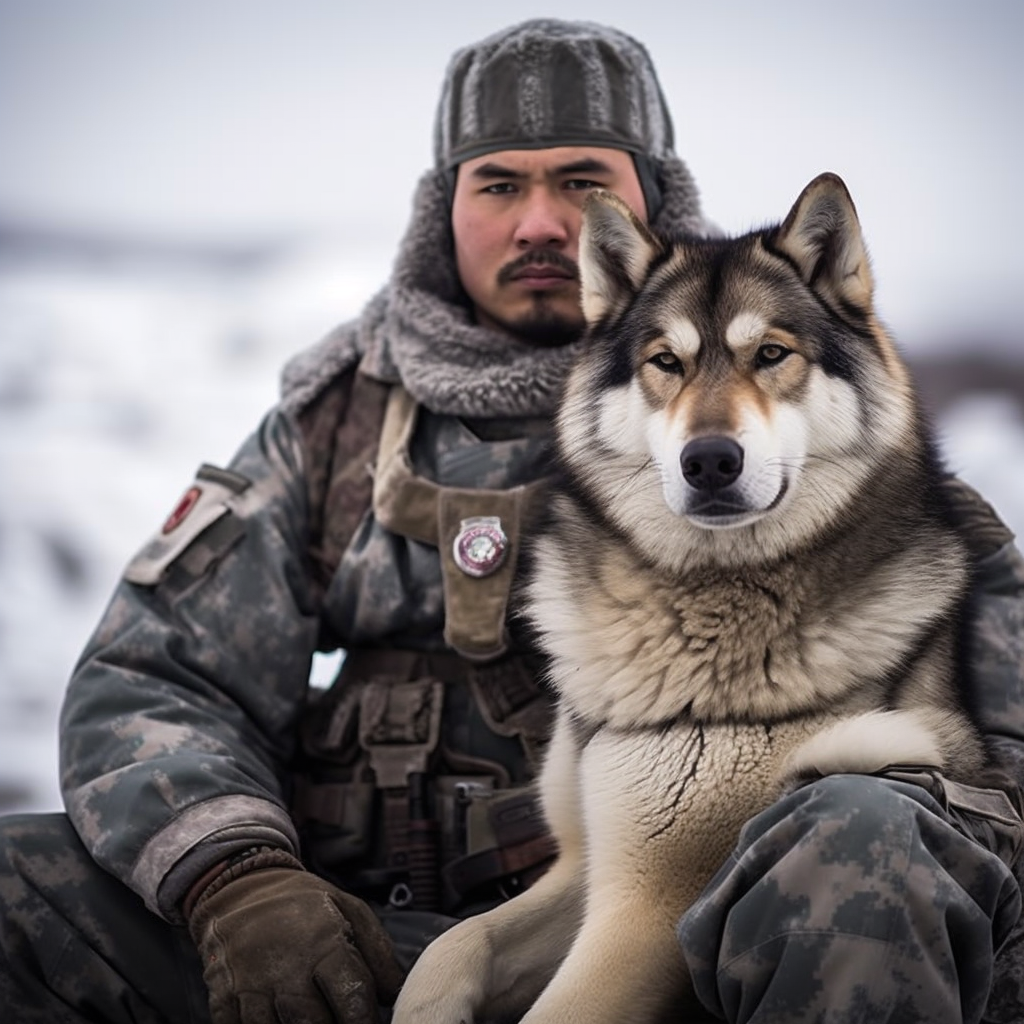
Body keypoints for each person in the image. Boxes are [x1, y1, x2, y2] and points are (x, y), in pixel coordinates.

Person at [0, 17, 1021, 1024]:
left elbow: (995, 755)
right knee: (19, 888)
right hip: (373, 938)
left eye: (580, 182)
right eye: (498, 184)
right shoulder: (337, 429)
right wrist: (239, 879)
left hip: (723, 949)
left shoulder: (853, 479)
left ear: (644, 203)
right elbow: (152, 678)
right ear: (441, 209)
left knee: (863, 850)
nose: (543, 223)